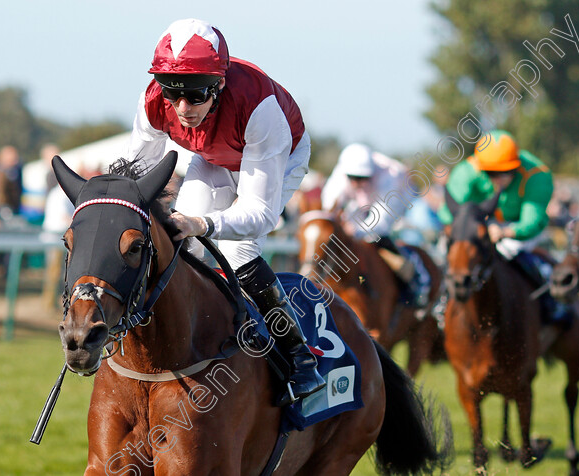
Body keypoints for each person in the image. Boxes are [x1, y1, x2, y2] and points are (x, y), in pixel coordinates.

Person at [125, 18, 323, 406]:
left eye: (196, 95)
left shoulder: (259, 106)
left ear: (218, 84)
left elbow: (261, 214)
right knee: (186, 247)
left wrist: (204, 223)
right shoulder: (152, 101)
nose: (183, 108)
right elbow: (133, 175)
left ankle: (299, 357)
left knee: (238, 251)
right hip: (214, 157)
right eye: (172, 92)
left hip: (277, 156)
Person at [438, 130, 570, 340]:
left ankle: (552, 305)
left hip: (517, 226)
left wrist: (506, 231)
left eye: (503, 173)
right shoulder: (466, 172)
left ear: (516, 166)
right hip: (478, 224)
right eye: (489, 173)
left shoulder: (538, 176)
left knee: (511, 250)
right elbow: (448, 213)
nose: (496, 179)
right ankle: (440, 304)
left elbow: (531, 222)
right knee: (454, 255)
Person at [321, 143, 431, 307]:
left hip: (399, 204)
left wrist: (355, 231)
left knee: (379, 239)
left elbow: (381, 219)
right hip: (363, 204)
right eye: (354, 178)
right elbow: (328, 209)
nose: (359, 182)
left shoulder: (390, 176)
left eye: (363, 178)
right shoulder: (341, 173)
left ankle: (415, 284)